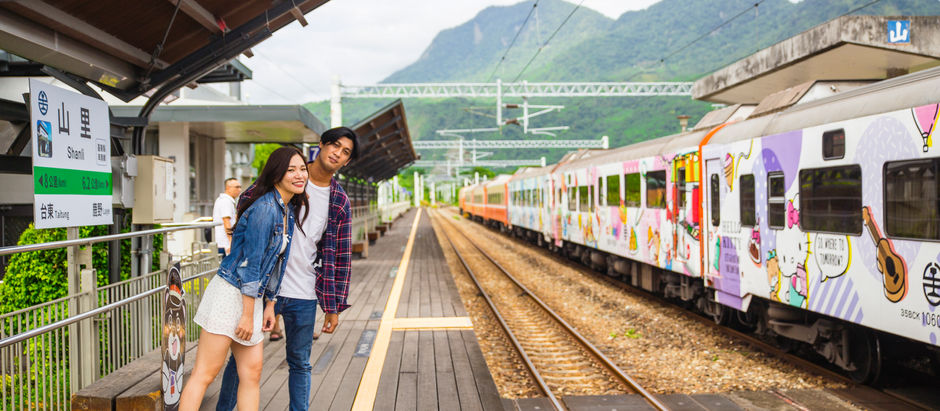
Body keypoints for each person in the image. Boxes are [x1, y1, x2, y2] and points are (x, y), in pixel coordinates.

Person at [216, 127, 359, 411]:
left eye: (345, 153)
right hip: (262, 288)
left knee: (300, 363)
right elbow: (247, 204)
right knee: (240, 361)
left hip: (304, 291)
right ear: (321, 145)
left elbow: (341, 256)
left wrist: (334, 306)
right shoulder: (289, 174)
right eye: (334, 146)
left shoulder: (339, 201)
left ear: (346, 162)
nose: (337, 154)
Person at [179, 147, 309, 411]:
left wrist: (270, 304)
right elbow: (250, 266)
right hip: (231, 294)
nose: (299, 175)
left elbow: (275, 266)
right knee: (205, 373)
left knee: (251, 374)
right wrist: (248, 314)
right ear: (276, 174)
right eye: (291, 170)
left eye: (303, 169)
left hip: (252, 299)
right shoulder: (265, 210)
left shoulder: (287, 209)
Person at [213, 178, 242, 256]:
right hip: (225, 244)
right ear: (228, 188)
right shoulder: (225, 201)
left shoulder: (227, 200)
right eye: (237, 187)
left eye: (240, 187)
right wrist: (231, 242)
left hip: (224, 244)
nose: (239, 189)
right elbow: (226, 222)